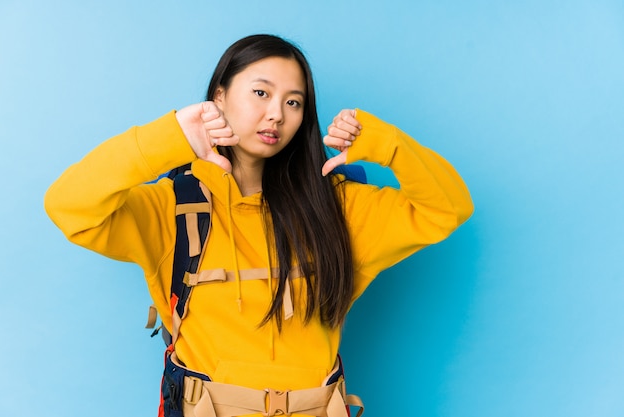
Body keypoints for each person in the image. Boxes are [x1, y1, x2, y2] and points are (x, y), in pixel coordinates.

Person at [45, 34, 474, 417]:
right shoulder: (173, 207)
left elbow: (448, 209)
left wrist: (390, 147)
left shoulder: (337, 206)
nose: (276, 115)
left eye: (293, 102)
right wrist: (168, 138)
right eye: (260, 93)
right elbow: (69, 206)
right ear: (219, 96)